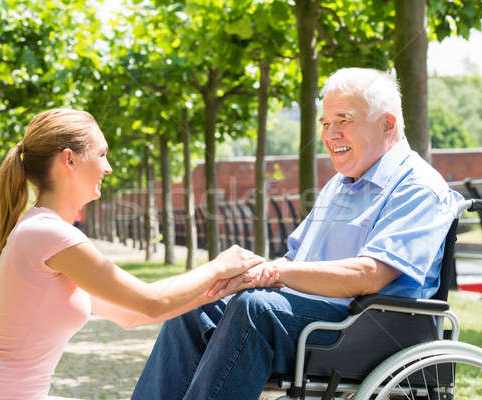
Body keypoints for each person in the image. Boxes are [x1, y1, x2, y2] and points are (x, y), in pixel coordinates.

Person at [131, 68, 464, 400]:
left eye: (343, 120)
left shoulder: (418, 187)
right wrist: (244, 275)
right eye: (324, 123)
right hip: (317, 317)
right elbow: (294, 260)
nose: (330, 134)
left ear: (387, 124)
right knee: (197, 305)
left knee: (256, 309)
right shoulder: (340, 185)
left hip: (369, 327)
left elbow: (370, 275)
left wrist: (275, 273)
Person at [0, 109, 276, 400]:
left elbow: (132, 315)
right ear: (69, 160)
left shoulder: (45, 231)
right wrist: (219, 266)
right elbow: (150, 301)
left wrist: (228, 286)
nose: (108, 168)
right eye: (102, 154)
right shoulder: (49, 235)